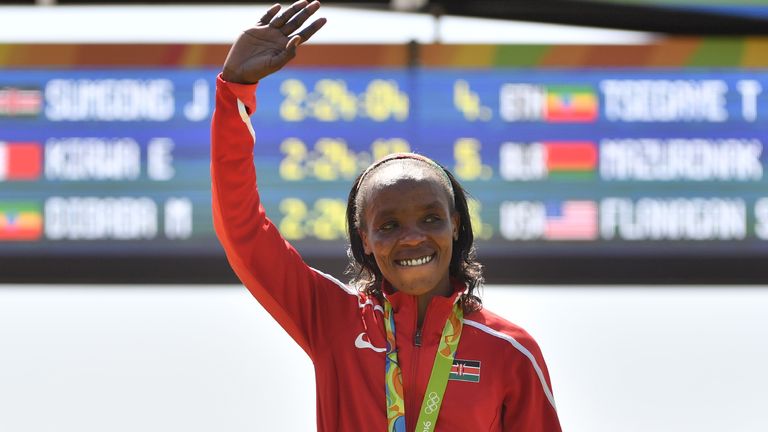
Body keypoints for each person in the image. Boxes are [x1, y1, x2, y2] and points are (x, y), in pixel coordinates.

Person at [211, 1, 562, 430]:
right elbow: (244, 232)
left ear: (455, 223)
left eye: (430, 219)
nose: (412, 237)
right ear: (364, 240)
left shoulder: (510, 351)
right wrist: (235, 92)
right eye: (389, 225)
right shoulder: (332, 319)